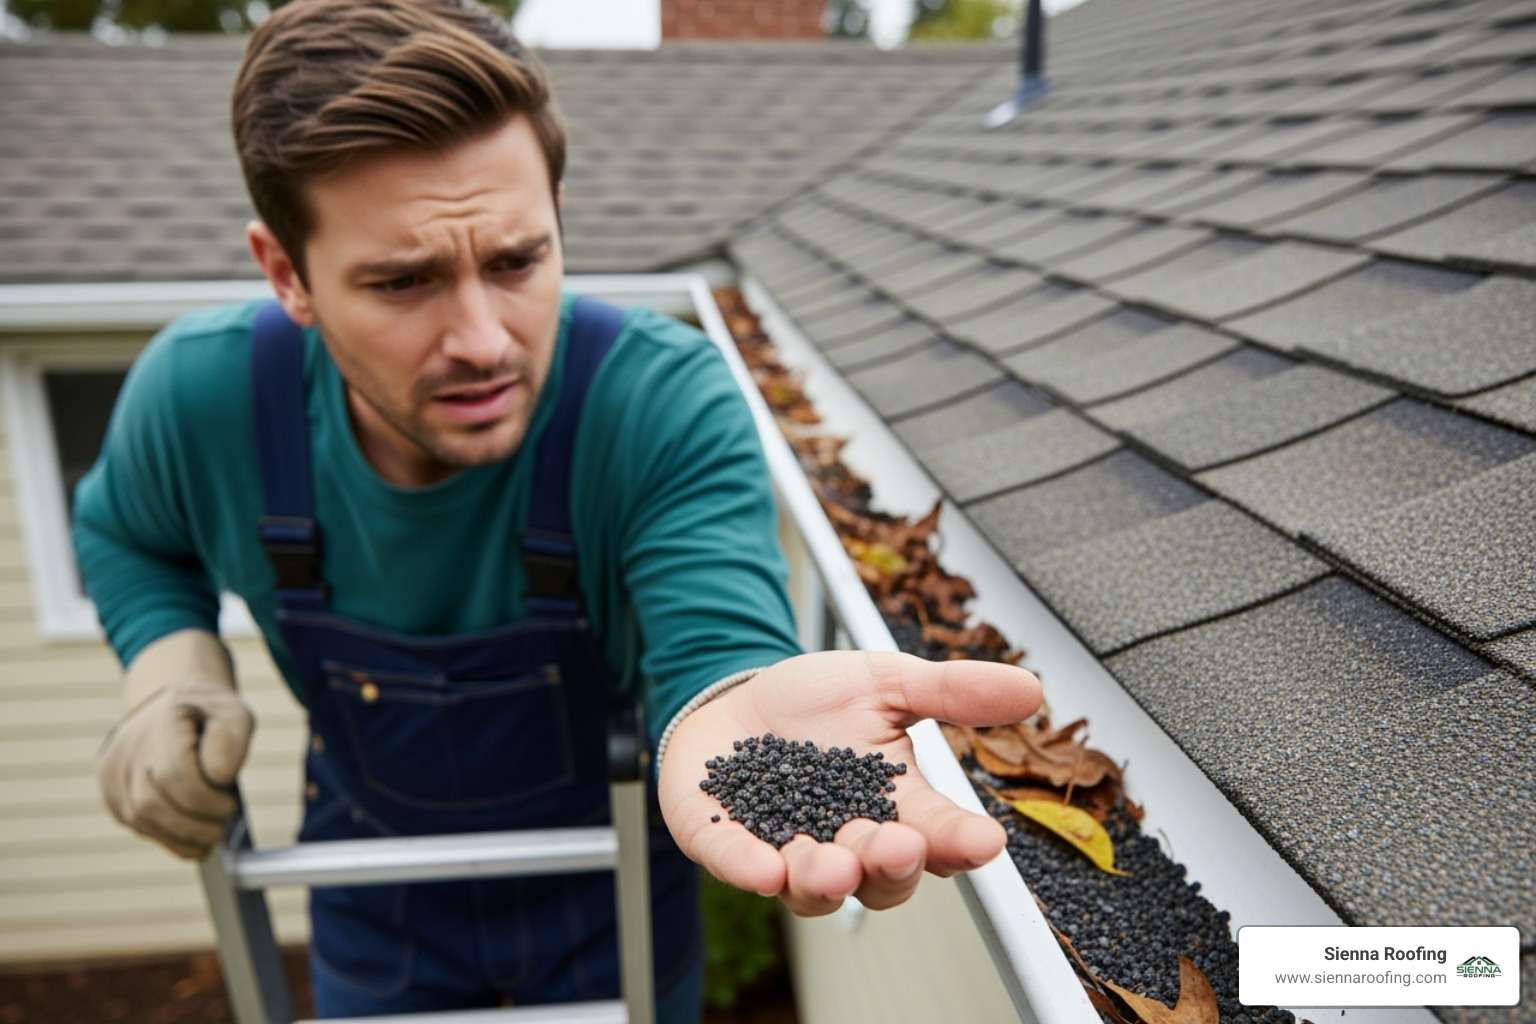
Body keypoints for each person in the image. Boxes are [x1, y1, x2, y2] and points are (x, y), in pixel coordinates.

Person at [77, 0, 1043, 1019]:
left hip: (613, 885)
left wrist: (738, 701)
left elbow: (717, 641)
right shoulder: (204, 400)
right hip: (373, 881)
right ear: (288, 274)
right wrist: (168, 663)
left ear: (557, 216)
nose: (483, 340)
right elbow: (124, 535)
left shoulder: (657, 402)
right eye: (403, 281)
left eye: (515, 261)